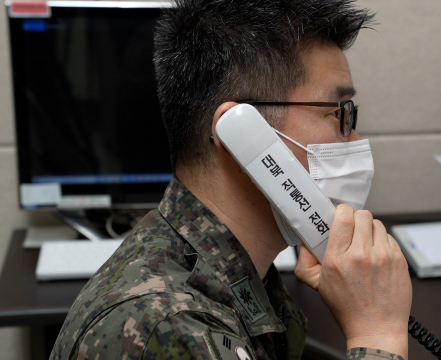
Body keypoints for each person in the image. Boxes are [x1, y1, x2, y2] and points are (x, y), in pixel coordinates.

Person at [49, 0, 412, 359]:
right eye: (339, 113)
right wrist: (378, 332)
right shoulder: (170, 326)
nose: (358, 141)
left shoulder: (230, 272)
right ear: (239, 133)